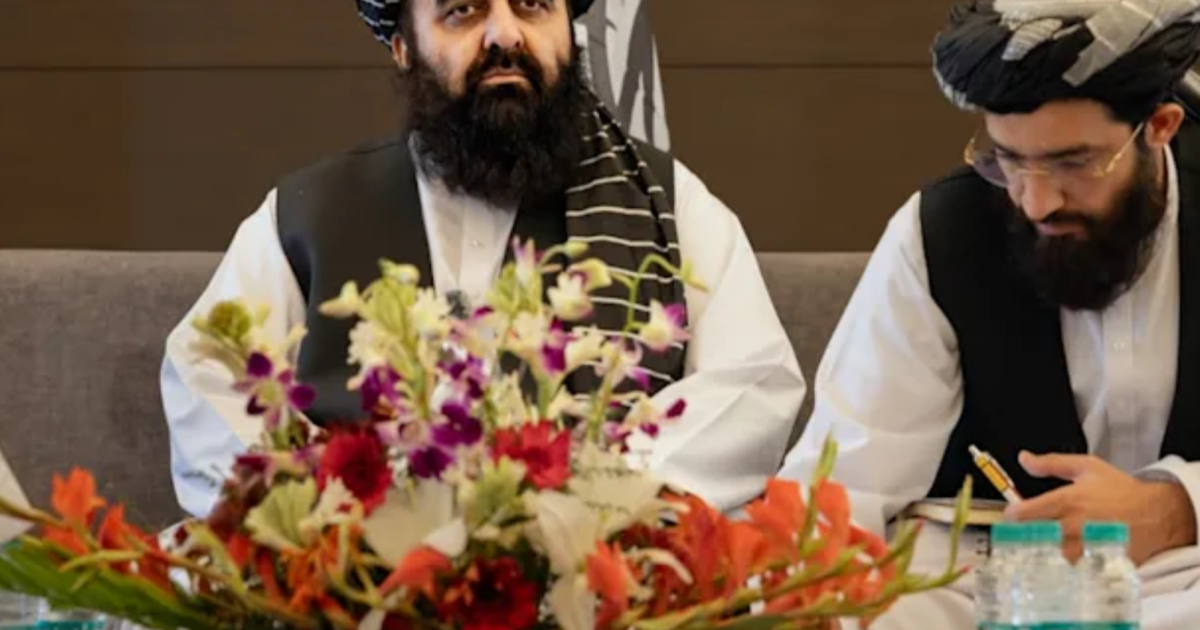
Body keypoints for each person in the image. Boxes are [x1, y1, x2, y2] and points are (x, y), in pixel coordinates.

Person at [160, 0, 804, 521]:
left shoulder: (663, 201)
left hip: (603, 575)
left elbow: (754, 380)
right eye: (463, 11)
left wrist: (595, 502)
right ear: (403, 47)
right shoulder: (311, 211)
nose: (506, 34)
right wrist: (325, 513)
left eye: (533, 6)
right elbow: (207, 377)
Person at [779, 1, 1200, 628]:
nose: (1036, 202)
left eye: (1074, 163)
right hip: (990, 579)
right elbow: (848, 478)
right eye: (1009, 160)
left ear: (1160, 126)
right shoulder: (941, 232)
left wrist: (1177, 509)